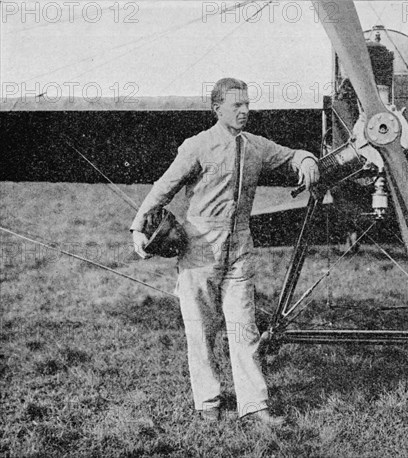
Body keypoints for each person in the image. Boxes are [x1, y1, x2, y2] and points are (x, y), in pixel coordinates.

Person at [130, 78, 319, 426]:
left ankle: (255, 405)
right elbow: (164, 187)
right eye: (237, 106)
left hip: (240, 248)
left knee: (243, 327)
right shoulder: (197, 146)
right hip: (199, 248)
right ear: (217, 109)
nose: (245, 111)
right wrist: (139, 228)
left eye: (247, 104)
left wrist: (306, 161)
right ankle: (207, 403)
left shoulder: (255, 146)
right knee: (200, 329)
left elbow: (291, 155)